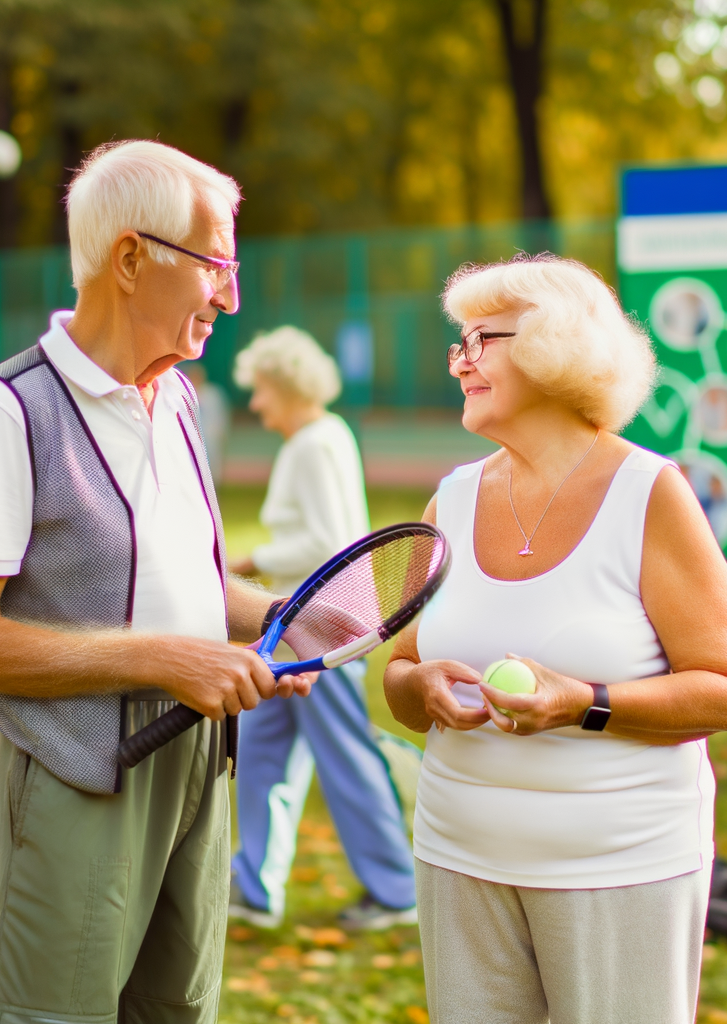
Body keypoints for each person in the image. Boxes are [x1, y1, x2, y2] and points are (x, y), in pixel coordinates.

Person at [0, 140, 316, 1024]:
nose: (230, 294)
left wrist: (285, 616)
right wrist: (167, 659)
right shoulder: (7, 412)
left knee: (181, 1012)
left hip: (198, 763)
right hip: (78, 771)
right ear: (132, 258)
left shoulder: (174, 397)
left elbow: (196, 585)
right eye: (217, 264)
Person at [384, 254, 727, 1024]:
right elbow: (399, 670)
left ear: (556, 347)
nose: (460, 361)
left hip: (619, 865)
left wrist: (582, 703)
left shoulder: (650, 493)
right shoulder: (450, 499)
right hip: (459, 855)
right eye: (458, 342)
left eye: (480, 340)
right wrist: (420, 689)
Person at [223, 325, 417, 931]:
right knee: (260, 754)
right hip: (289, 627)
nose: (254, 404)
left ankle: (395, 889)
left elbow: (330, 542)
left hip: (321, 626)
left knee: (344, 754)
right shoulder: (315, 439)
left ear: (283, 385)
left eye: (259, 390)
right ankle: (254, 885)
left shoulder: (315, 442)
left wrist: (248, 561)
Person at [182, 360, 229, 484]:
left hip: (210, 441)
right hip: (191, 442)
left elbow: (221, 420)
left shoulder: (213, 394)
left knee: (211, 477)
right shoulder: (182, 396)